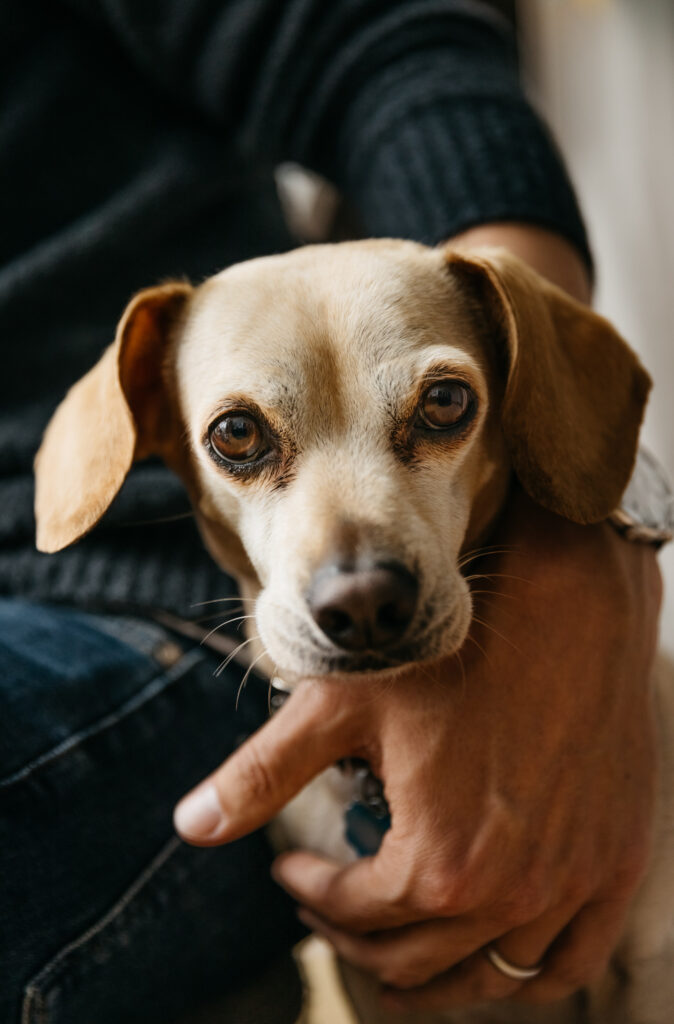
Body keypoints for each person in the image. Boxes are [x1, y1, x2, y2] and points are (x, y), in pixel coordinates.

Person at [0, 1, 661, 1021]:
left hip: (130, 631)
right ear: (156, 424)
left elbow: (388, 46)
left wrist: (584, 544)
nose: (353, 575)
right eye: (244, 442)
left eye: (437, 408)